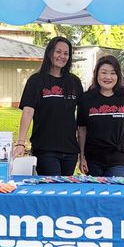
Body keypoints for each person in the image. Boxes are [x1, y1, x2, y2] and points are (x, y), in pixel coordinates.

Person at [15, 36, 83, 175]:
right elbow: (28, 111)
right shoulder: (36, 80)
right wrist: (21, 143)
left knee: (65, 188)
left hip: (70, 150)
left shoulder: (74, 82)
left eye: (66, 53)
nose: (62, 56)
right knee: (52, 186)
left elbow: (82, 117)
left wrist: (82, 153)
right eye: (58, 52)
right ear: (50, 52)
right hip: (45, 149)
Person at [77, 55, 124, 177]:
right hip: (93, 159)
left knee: (113, 188)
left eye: (113, 73)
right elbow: (82, 128)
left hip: (119, 158)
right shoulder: (86, 99)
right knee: (95, 189)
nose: (108, 77)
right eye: (104, 72)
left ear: (118, 75)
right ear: (97, 74)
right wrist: (82, 156)